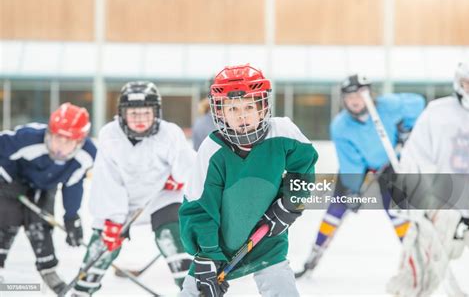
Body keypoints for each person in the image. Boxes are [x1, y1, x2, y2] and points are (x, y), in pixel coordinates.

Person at [179, 64, 318, 297]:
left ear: (263, 107)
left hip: (268, 238)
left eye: (249, 106)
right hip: (219, 246)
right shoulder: (212, 151)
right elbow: (199, 207)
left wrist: (290, 205)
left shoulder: (283, 133)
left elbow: (303, 170)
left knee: (282, 289)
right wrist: (207, 255)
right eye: (232, 108)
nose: (242, 115)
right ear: (220, 112)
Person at [71, 81, 196, 296]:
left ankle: (191, 290)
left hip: (161, 196)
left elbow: (189, 164)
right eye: (134, 113)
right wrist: (112, 218)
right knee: (103, 244)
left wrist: (181, 178)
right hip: (122, 200)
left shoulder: (169, 133)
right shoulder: (110, 134)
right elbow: (107, 179)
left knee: (170, 236)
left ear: (156, 112)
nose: (140, 119)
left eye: (145, 113)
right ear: (122, 113)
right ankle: (82, 289)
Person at [298, 74, 426, 276]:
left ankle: (416, 258)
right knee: (337, 207)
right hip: (359, 166)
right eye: (349, 97)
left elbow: (418, 103)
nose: (354, 100)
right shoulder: (341, 126)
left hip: (389, 163)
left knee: (397, 211)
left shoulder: (389, 105)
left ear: (370, 94)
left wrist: (408, 127)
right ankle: (314, 256)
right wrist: (352, 189)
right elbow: (351, 163)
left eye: (359, 94)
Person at [387, 60, 469, 297]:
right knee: (419, 266)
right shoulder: (438, 113)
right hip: (444, 204)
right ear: (459, 83)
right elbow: (415, 156)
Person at [0, 103, 96, 293]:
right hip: (13, 183)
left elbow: (73, 184)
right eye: (56, 138)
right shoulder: (28, 138)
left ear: (79, 142)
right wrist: (4, 178)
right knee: (5, 220)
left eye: (68, 142)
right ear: (49, 133)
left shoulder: (87, 155)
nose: (59, 147)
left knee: (41, 225)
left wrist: (71, 217)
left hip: (44, 188)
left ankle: (48, 270)